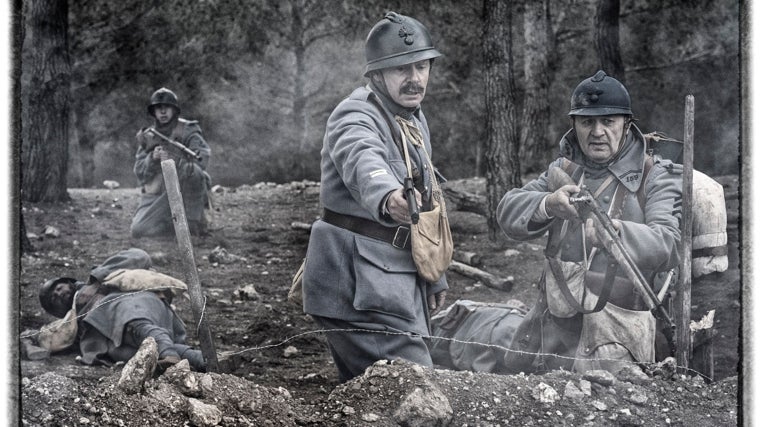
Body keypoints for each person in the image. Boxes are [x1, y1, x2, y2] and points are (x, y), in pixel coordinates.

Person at [497, 70, 682, 375]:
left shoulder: (656, 175)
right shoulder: (564, 169)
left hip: (620, 334)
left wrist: (616, 233)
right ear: (575, 125)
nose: (597, 132)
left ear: (626, 125)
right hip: (556, 331)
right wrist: (548, 204)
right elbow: (507, 211)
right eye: (587, 122)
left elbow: (669, 243)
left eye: (608, 121)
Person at [300, 11, 448, 382]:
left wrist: (433, 275)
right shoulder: (355, 114)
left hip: (393, 278)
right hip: (357, 287)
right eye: (402, 69)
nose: (415, 79)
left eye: (421, 66)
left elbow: (426, 196)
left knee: (375, 395)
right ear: (378, 74)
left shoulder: (413, 117)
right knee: (415, 386)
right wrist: (388, 196)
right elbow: (363, 160)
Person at [38, 248, 206, 371]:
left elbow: (140, 256)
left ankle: (169, 353)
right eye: (54, 298)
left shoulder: (101, 280)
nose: (58, 295)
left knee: (130, 318)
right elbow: (50, 338)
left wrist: (98, 283)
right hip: (115, 340)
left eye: (59, 288)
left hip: (137, 307)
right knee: (129, 353)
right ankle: (202, 360)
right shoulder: (69, 322)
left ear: (69, 282)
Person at [131, 87, 211, 238]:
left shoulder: (188, 130)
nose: (162, 112)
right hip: (158, 197)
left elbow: (202, 158)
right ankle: (171, 225)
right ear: (153, 112)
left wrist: (177, 163)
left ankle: (192, 224)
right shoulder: (148, 136)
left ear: (174, 110)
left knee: (194, 171)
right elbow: (139, 171)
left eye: (166, 107)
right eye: (158, 108)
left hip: (184, 191)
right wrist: (152, 159)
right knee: (138, 230)